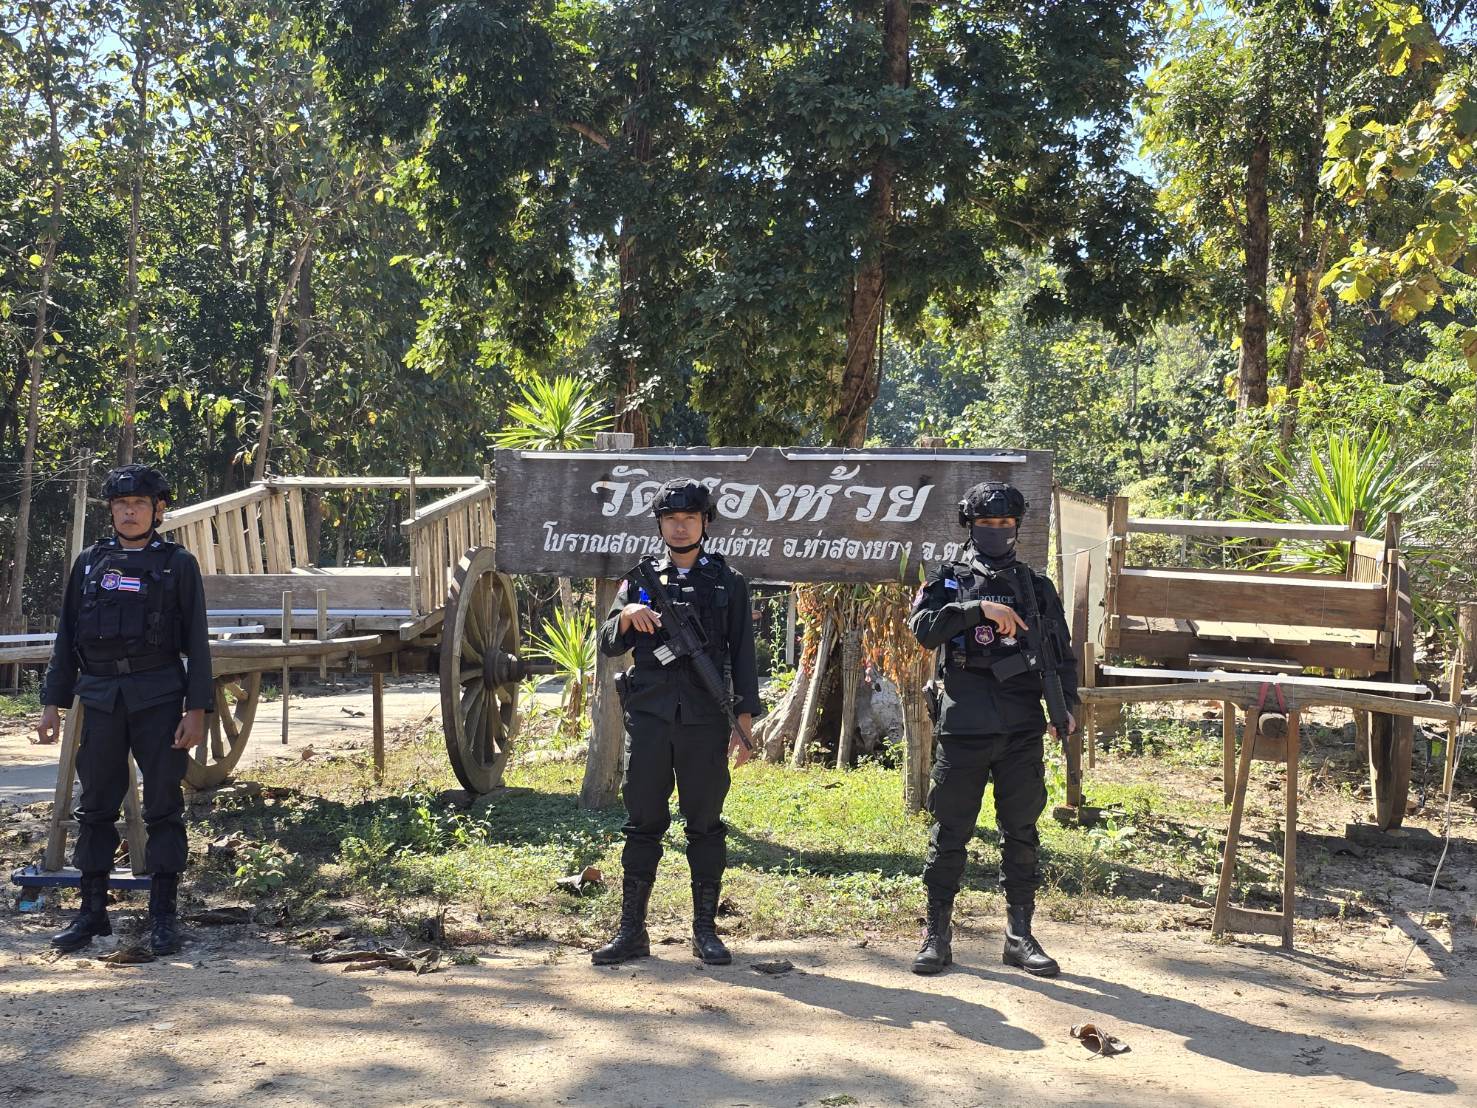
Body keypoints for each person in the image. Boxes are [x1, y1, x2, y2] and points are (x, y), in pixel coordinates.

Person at [36, 464, 213, 956]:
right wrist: (52, 703)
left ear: (158, 511)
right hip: (100, 698)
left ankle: (163, 918)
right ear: (111, 511)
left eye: (139, 504)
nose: (129, 512)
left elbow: (197, 642)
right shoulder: (90, 563)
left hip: (158, 696)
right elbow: (67, 637)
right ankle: (92, 913)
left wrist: (197, 709)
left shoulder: (177, 565)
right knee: (95, 805)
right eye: (120, 504)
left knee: (163, 805)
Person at [907, 480, 1078, 977]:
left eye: (1005, 523)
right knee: (950, 832)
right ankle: (937, 935)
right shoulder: (948, 580)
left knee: (1021, 830)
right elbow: (923, 630)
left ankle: (1019, 936)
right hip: (964, 724)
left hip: (1021, 725)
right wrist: (978, 609)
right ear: (970, 525)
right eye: (987, 523)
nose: (997, 531)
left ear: (1017, 527)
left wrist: (1065, 707)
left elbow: (1061, 653)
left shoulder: (1036, 587)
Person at [592, 478, 762, 967]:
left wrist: (743, 722)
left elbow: (743, 655)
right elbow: (608, 642)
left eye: (689, 518)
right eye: (671, 518)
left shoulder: (728, 582)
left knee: (705, 824)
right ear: (660, 524)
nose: (680, 526)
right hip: (650, 718)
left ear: (705, 522)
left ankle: (705, 931)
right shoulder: (639, 580)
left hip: (705, 720)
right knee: (642, 822)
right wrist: (628, 615)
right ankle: (631, 931)